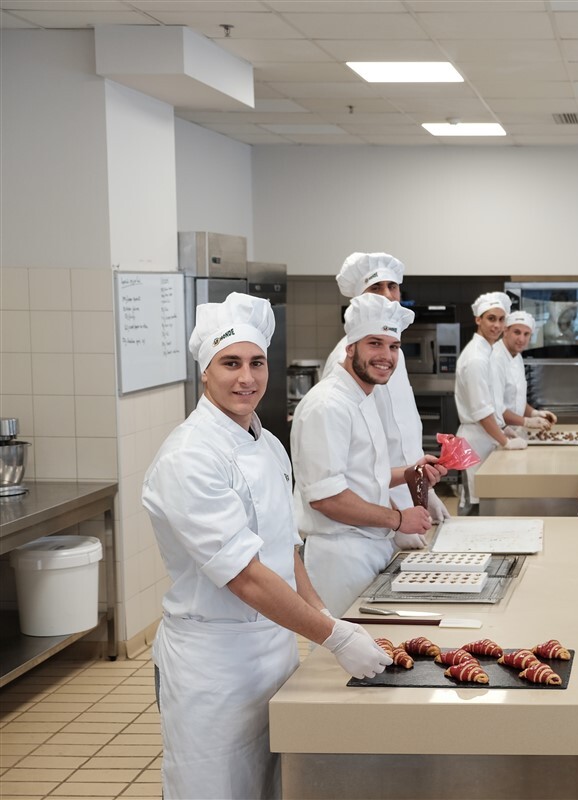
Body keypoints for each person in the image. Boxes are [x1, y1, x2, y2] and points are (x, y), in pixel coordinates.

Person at [143, 293, 391, 799]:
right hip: (214, 664)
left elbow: (284, 548)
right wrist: (334, 637)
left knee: (273, 785)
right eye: (230, 363)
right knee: (214, 788)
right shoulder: (189, 457)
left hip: (274, 649)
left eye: (257, 363)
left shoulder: (268, 442)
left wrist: (323, 613)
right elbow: (245, 576)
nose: (246, 378)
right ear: (205, 373)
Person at [293, 293, 440, 617]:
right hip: (340, 558)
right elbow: (327, 499)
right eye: (375, 344)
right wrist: (399, 519)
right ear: (350, 348)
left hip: (371, 546)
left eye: (393, 346)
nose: (386, 356)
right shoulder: (328, 406)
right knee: (343, 649)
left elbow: (362, 476)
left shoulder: (363, 397)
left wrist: (409, 473)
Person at [320, 251, 450, 522]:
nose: (388, 296)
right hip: (372, 506)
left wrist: (424, 491)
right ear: (358, 299)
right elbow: (349, 467)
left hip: (405, 495)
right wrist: (394, 515)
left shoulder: (393, 355)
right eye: (376, 288)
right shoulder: (345, 361)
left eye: (392, 286)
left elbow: (403, 428)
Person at [455, 291, 526, 512]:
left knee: (484, 503)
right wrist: (506, 442)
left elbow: (492, 403)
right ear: (478, 319)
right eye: (491, 318)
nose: (496, 325)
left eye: (501, 319)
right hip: (474, 441)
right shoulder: (476, 358)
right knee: (471, 503)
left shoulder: (487, 353)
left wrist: (503, 428)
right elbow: (481, 410)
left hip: (486, 437)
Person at [492, 309, 558, 433]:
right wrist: (526, 422)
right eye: (517, 332)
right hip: (494, 434)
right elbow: (495, 409)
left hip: (512, 431)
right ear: (505, 331)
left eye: (526, 334)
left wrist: (534, 413)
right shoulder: (495, 358)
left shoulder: (517, 357)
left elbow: (516, 400)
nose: (521, 339)